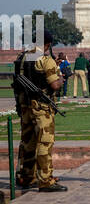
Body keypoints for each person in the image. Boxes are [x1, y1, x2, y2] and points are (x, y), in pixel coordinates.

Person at [12, 30, 67, 192]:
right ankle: (46, 180)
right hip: (42, 107)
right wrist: (61, 76)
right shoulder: (45, 60)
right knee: (44, 142)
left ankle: (27, 176)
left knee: (28, 142)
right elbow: (55, 85)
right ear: (48, 44)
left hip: (25, 106)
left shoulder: (21, 58)